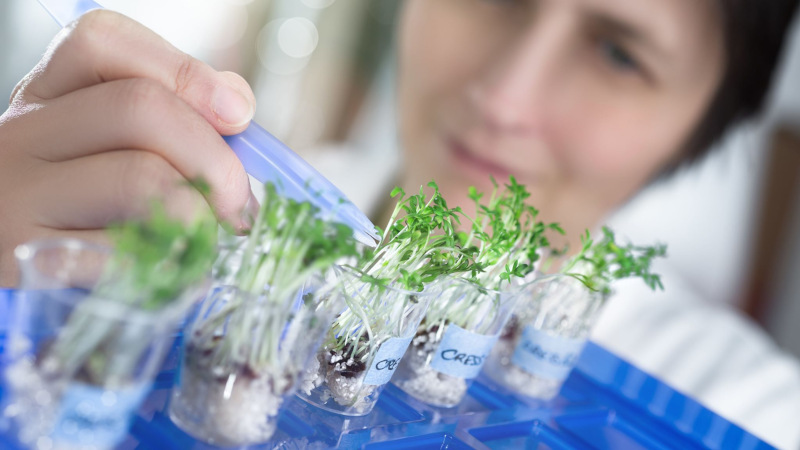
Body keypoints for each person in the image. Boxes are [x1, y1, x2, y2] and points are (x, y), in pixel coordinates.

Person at [0, 0, 798, 446]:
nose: (504, 96)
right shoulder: (192, 197)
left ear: (705, 128)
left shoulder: (756, 413)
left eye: (619, 54)